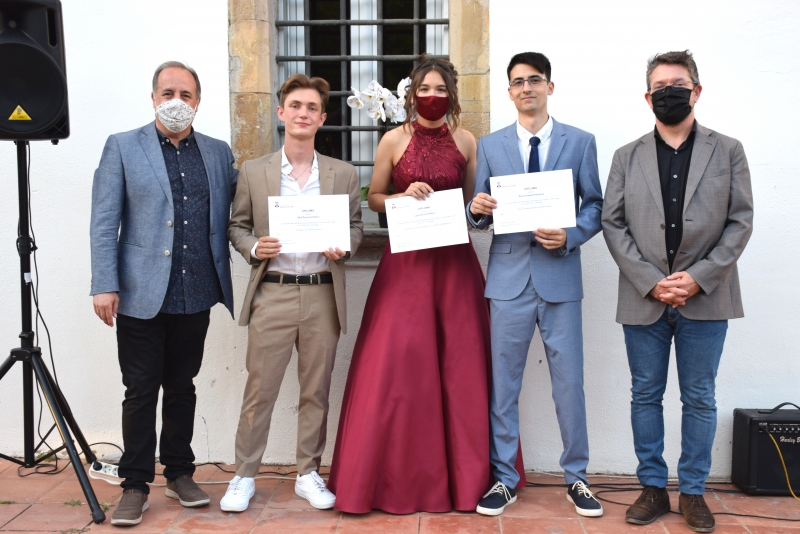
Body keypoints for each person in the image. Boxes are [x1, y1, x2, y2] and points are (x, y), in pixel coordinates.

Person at [326, 55, 525, 515]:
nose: (432, 97)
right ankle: (390, 475)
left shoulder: (468, 141)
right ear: (411, 93)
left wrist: (484, 208)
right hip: (406, 265)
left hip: (454, 266)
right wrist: (399, 195)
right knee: (396, 367)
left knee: (462, 367)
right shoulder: (392, 139)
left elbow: (475, 206)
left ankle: (469, 478)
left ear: (452, 95)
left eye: (440, 90)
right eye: (424, 89)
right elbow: (372, 197)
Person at [602, 50, 753, 533]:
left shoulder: (727, 150)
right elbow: (613, 222)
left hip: (706, 296)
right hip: (643, 296)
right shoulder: (626, 156)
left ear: (697, 90)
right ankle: (652, 488)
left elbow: (740, 221)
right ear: (648, 97)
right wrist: (651, 280)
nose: (670, 91)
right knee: (644, 394)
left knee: (699, 397)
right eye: (661, 86)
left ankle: (692, 493)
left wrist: (699, 276)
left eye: (679, 83)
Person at [90, 61, 238, 526]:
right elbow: (103, 219)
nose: (178, 101)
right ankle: (135, 484)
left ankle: (179, 473)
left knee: (181, 388)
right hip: (138, 293)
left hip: (196, 290)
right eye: (168, 92)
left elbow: (241, 209)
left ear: (198, 100)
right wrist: (103, 283)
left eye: (187, 94)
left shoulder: (217, 152)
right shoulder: (122, 147)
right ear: (154, 97)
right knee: (140, 390)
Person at [468, 52, 604, 518]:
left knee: (570, 383)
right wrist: (477, 210)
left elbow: (595, 206)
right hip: (507, 279)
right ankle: (504, 477)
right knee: (503, 384)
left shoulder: (580, 142)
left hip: (559, 275)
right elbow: (480, 213)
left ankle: (577, 477)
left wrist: (572, 235)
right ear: (509, 91)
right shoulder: (490, 144)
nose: (526, 88)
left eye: (534, 80)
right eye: (518, 82)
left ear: (549, 86)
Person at [222, 74, 363, 513]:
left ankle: (307, 473)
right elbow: (236, 226)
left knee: (315, 391)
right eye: (295, 106)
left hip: (322, 293)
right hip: (274, 292)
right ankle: (244, 475)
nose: (303, 113)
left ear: (323, 117)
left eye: (312, 108)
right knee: (259, 389)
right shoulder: (254, 170)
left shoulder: (342, 173)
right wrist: (252, 247)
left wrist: (347, 246)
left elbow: (356, 228)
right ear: (282, 113)